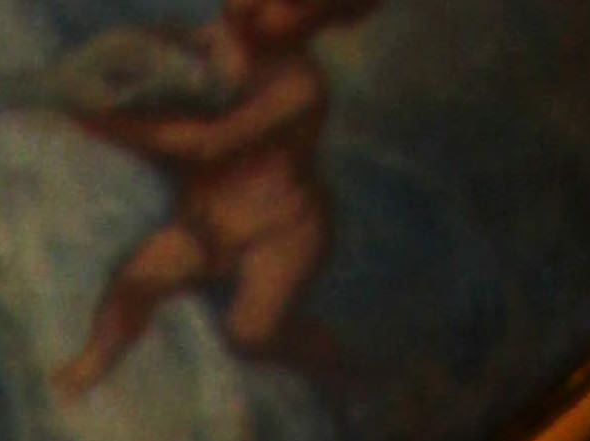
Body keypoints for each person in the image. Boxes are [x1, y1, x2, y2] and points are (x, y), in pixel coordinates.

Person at [55, 2, 379, 397]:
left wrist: (107, 127)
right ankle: (88, 367)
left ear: (323, 20)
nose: (257, 5)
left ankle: (329, 360)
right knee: (138, 281)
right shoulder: (209, 43)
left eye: (289, 3)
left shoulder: (299, 87)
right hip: (204, 222)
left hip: (280, 233)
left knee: (250, 336)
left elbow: (208, 144)